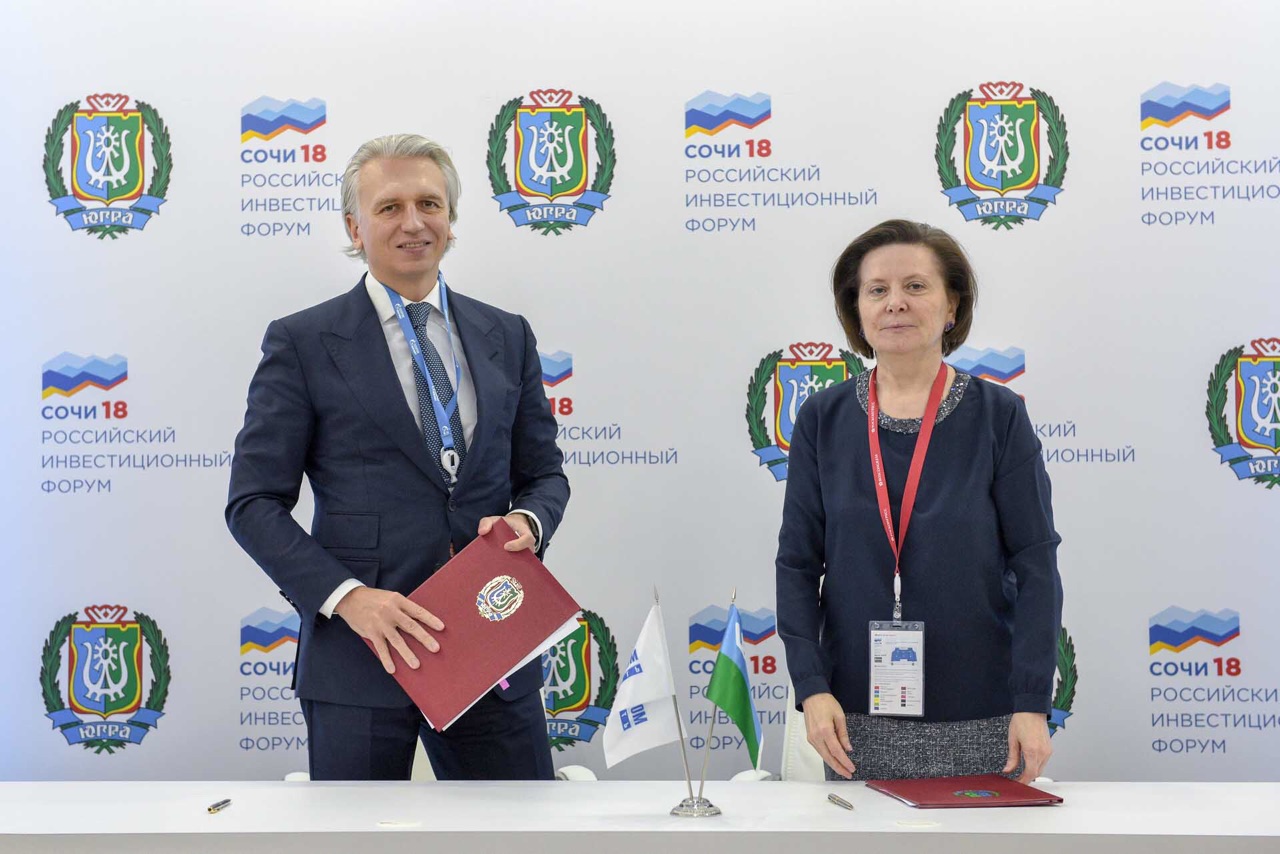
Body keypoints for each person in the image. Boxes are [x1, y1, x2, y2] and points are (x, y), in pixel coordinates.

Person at [226, 134, 569, 781]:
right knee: (354, 836)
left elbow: (544, 475)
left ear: (451, 218)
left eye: (429, 204)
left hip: (492, 648)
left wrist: (528, 522)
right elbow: (253, 504)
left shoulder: (507, 334)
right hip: (360, 659)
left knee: (516, 832)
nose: (413, 223)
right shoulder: (303, 342)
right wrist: (348, 597)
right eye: (389, 207)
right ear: (354, 227)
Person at [775, 219, 1062, 783]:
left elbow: (1036, 565)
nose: (895, 303)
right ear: (857, 309)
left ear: (952, 305)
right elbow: (797, 564)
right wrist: (811, 687)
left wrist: (1031, 701)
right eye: (877, 290)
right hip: (853, 716)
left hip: (986, 714)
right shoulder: (823, 419)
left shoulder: (999, 416)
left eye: (915, 286)